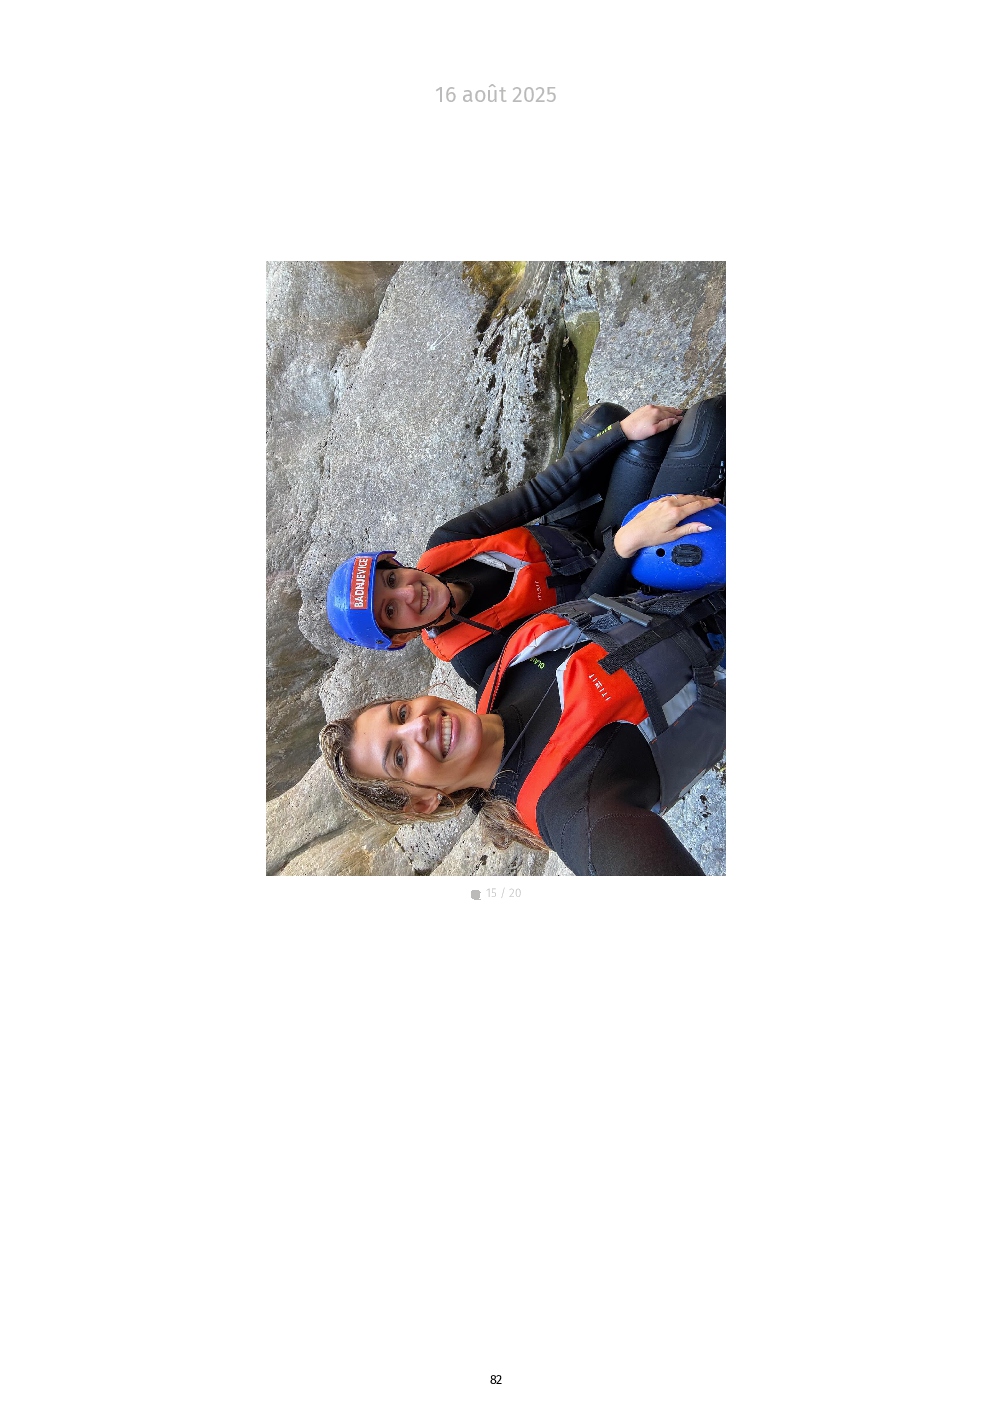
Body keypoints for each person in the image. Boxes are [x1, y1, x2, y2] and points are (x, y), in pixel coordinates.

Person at [319, 519, 725, 876]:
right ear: (423, 802)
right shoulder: (565, 806)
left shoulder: (501, 674)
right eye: (399, 757)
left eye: (402, 713)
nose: (418, 726)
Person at [325, 395, 726, 690]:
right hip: (623, 583)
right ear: (401, 638)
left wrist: (621, 432)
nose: (410, 592)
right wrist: (626, 545)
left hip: (581, 534)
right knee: (705, 426)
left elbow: (535, 496)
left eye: (392, 580)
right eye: (391, 609)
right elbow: (586, 630)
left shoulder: (446, 543)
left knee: (612, 425)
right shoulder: (479, 660)